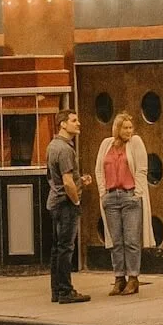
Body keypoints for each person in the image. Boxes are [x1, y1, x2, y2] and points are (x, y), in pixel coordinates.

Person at [95, 112, 155, 296]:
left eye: (130, 127)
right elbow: (99, 170)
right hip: (111, 197)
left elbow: (142, 170)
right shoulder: (106, 144)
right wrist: (103, 193)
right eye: (125, 127)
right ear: (117, 128)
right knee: (116, 241)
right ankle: (119, 278)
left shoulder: (135, 142)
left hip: (129, 196)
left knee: (131, 240)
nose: (129, 131)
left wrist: (137, 194)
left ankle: (133, 278)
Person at [46, 110, 93, 304]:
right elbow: (66, 182)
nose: (78, 123)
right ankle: (65, 291)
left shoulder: (52, 145)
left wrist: (79, 181)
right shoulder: (65, 149)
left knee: (57, 248)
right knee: (66, 248)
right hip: (65, 204)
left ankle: (56, 290)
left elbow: (61, 178)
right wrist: (76, 200)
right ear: (63, 124)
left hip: (55, 202)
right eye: (74, 120)